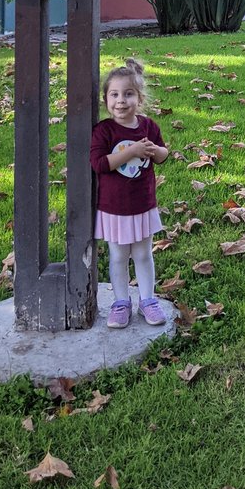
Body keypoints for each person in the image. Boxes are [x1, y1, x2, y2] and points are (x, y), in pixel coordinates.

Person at [90, 58, 170, 328]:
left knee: (144, 255)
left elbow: (162, 154)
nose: (121, 101)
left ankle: (148, 300)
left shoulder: (148, 126)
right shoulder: (104, 131)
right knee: (118, 256)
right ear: (106, 99)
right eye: (114, 95)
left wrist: (154, 151)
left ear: (140, 98)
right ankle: (121, 302)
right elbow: (99, 164)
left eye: (128, 94)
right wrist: (131, 152)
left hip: (142, 205)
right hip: (114, 208)